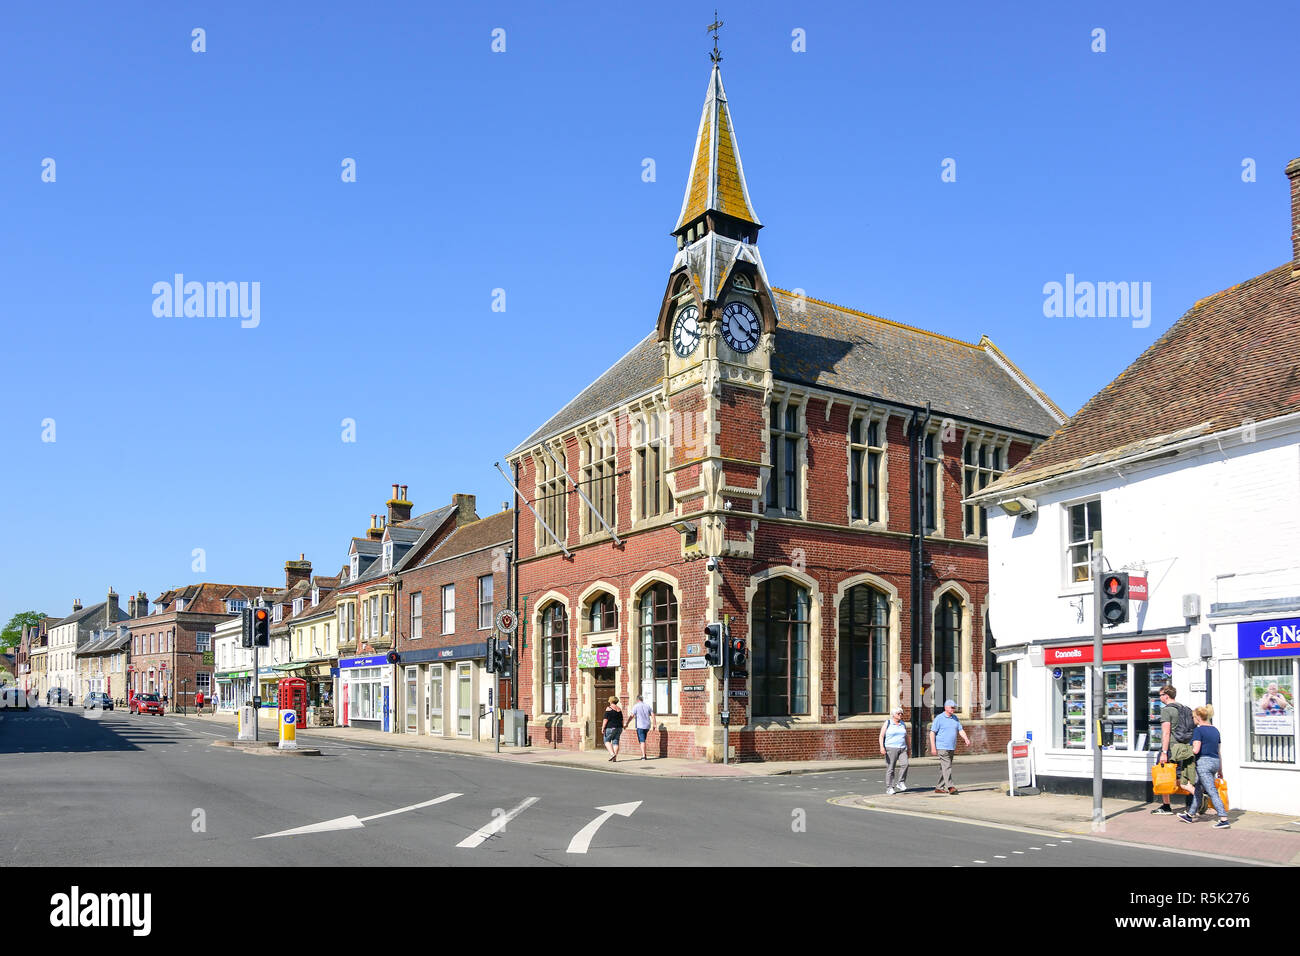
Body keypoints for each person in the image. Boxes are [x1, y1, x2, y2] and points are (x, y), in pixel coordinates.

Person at [1179, 705, 1230, 829]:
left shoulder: (1198, 730)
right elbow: (1218, 752)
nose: (1193, 720)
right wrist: (1220, 769)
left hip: (1204, 764)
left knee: (1212, 791)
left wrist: (1184, 750)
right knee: (1198, 789)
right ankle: (1190, 815)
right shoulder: (1215, 730)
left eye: (1193, 717)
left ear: (1198, 717)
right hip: (1215, 762)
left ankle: (1223, 818)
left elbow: (1196, 750)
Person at [1152, 685, 1196, 815]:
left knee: (1163, 774)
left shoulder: (1167, 710)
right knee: (1181, 775)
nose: (1160, 698)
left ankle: (1167, 806)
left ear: (1166, 695)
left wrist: (1164, 753)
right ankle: (1196, 796)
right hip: (1183, 747)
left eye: (1160, 695)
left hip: (1171, 747)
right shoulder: (1184, 708)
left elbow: (1166, 733)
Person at [929, 699, 971, 793]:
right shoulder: (939, 718)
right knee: (947, 767)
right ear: (946, 707)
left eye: (954, 707)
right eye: (952, 707)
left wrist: (966, 738)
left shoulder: (955, 718)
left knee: (945, 767)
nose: (953, 709)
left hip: (951, 746)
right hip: (942, 746)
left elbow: (960, 730)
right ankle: (950, 787)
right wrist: (933, 747)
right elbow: (932, 733)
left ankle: (939, 787)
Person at [879, 707, 909, 794]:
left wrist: (908, 747)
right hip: (891, 748)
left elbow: (906, 736)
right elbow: (881, 736)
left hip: (902, 748)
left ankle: (900, 782)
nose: (900, 715)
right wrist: (882, 747)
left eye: (901, 713)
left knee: (905, 764)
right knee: (890, 768)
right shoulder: (888, 723)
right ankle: (889, 787)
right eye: (898, 713)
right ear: (893, 715)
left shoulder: (902, 724)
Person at [628, 694, 655, 760]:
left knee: (642, 741)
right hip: (647, 725)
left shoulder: (636, 706)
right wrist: (654, 724)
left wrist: (627, 723)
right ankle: (644, 753)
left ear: (637, 700)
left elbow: (631, 716)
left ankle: (643, 755)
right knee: (643, 740)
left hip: (640, 725)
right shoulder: (647, 706)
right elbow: (653, 715)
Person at [601, 696, 625, 762]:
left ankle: (612, 754)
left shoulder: (609, 708)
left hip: (610, 727)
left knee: (606, 740)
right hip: (619, 728)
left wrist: (603, 727)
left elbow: (605, 719)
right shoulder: (619, 709)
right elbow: (622, 719)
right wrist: (623, 726)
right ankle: (614, 758)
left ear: (611, 701)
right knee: (616, 741)